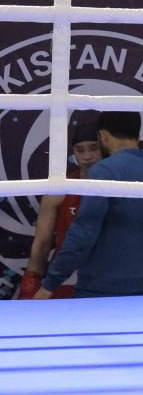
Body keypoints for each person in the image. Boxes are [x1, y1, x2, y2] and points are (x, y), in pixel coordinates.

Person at [32, 111, 143, 299]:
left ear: (103, 136)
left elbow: (84, 232)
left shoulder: (104, 171)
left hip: (99, 287)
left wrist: (50, 284)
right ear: (137, 134)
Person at [16, 117, 101, 299]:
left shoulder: (120, 187)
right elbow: (42, 242)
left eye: (94, 148)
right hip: (65, 277)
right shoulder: (59, 191)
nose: (87, 156)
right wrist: (30, 283)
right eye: (80, 150)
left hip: (105, 277)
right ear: (73, 153)